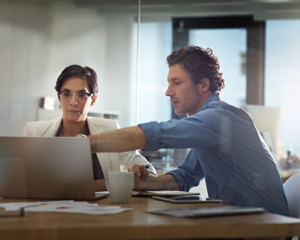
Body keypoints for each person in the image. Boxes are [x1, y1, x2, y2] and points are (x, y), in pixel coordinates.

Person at [87, 45, 289, 216]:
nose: (168, 92)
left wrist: (83, 144)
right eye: (168, 83)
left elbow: (154, 134)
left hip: (264, 229)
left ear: (203, 85)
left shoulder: (220, 119)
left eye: (177, 82)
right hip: (237, 222)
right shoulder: (208, 130)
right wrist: (147, 183)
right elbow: (184, 177)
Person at [22, 65, 156, 191]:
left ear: (93, 100)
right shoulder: (34, 132)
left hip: (100, 210)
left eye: (82, 95)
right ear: (59, 97)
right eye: (66, 94)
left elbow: (149, 172)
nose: (73, 102)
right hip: (46, 209)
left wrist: (102, 185)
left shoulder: (110, 129)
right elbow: (17, 177)